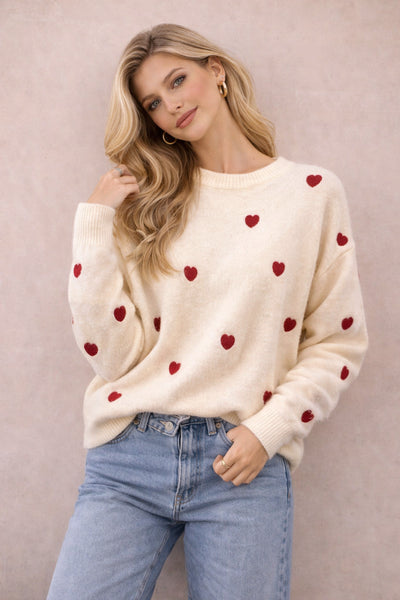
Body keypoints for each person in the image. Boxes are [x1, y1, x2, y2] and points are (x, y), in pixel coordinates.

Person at [47, 23, 368, 600]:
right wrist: (95, 221)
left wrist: (269, 430)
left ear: (215, 71)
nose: (170, 105)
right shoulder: (147, 202)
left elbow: (337, 341)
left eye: (177, 81)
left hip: (242, 464)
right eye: (153, 102)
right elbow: (111, 357)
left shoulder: (312, 194)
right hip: (130, 456)